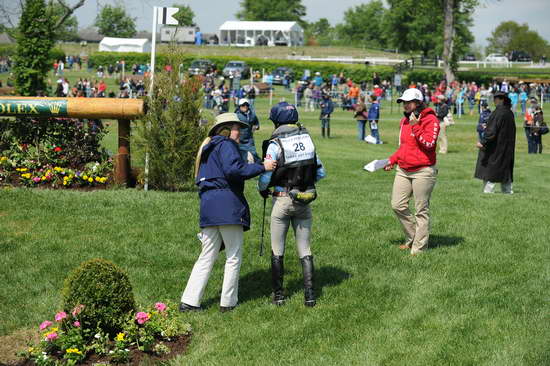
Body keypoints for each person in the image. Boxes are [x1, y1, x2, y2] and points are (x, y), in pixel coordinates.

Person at [180, 113, 277, 313]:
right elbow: (235, 170)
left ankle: (189, 301)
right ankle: (228, 303)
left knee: (206, 255)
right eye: (236, 128)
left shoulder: (208, 147)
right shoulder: (226, 145)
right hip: (227, 204)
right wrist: (262, 167)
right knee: (233, 256)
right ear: (225, 130)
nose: (240, 132)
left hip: (208, 205)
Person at [258, 102, 326, 307]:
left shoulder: (275, 143)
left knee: (277, 249)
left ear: (277, 121)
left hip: (281, 199)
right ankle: (310, 296)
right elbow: (321, 172)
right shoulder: (307, 139)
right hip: (304, 200)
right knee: (305, 248)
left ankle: (278, 296)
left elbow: (266, 176)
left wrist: (262, 188)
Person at [384, 88, 440, 255]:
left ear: (418, 103)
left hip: (423, 171)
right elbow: (404, 147)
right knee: (397, 205)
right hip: (403, 169)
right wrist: (392, 160)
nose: (406, 105)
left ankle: (418, 249)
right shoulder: (405, 121)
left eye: (409, 102)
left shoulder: (431, 119)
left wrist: (416, 127)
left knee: (421, 210)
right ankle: (413, 237)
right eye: (404, 102)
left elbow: (429, 144)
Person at [474, 92, 516, 194]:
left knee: (492, 168)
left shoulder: (498, 113)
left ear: (502, 100)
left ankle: (488, 192)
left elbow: (492, 131)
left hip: (495, 147)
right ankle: (507, 191)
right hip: (507, 147)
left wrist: (483, 142)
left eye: (496, 98)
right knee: (505, 168)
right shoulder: (509, 113)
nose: (494, 100)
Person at [235, 98, 260, 163]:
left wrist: (256, 127)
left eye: (247, 105)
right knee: (240, 157)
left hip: (249, 140)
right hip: (239, 140)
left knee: (254, 155)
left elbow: (256, 123)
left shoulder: (252, 115)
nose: (245, 106)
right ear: (239, 106)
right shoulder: (236, 115)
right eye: (243, 105)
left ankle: (259, 168)